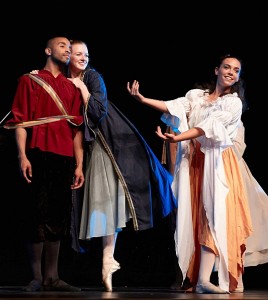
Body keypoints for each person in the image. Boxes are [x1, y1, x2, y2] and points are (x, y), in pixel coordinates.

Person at [127, 54, 255, 294]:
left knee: (214, 215)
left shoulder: (233, 103)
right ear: (216, 70)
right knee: (197, 218)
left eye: (236, 70)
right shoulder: (196, 97)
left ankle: (210, 278)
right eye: (226, 67)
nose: (230, 72)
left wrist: (178, 138)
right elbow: (173, 106)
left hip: (218, 163)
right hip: (196, 163)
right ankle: (200, 278)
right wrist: (142, 100)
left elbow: (209, 127)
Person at [67, 39, 177, 292]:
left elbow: (97, 111)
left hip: (110, 141)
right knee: (97, 199)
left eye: (86, 54)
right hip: (82, 144)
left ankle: (107, 258)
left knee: (109, 196)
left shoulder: (92, 77)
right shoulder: (63, 79)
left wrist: (82, 90)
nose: (83, 57)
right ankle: (106, 260)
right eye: (77, 53)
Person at [4, 37, 84, 292]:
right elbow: (20, 121)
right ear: (48, 50)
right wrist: (22, 156)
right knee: (35, 213)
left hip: (63, 155)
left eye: (69, 48)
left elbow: (77, 129)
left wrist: (79, 164)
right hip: (37, 152)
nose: (68, 50)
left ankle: (53, 276)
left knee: (58, 214)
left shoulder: (72, 87)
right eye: (62, 46)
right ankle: (36, 276)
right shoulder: (30, 80)